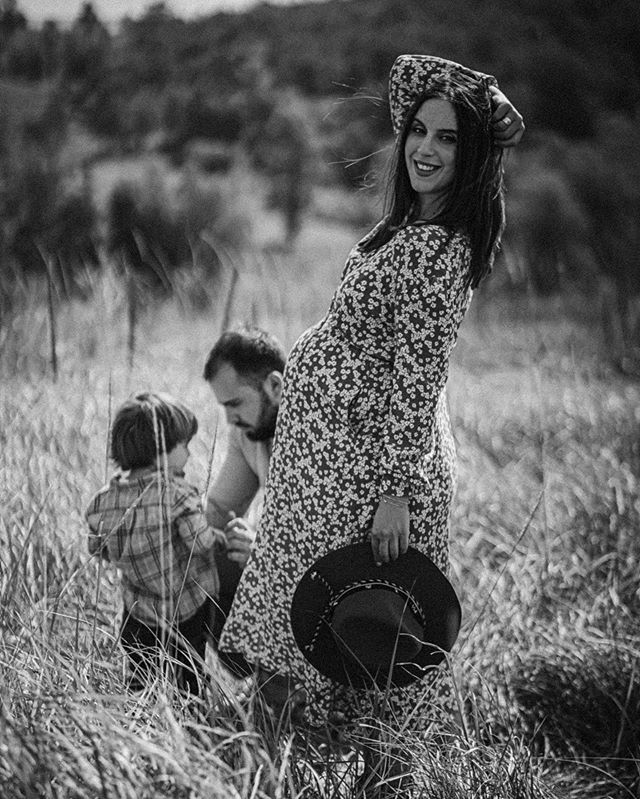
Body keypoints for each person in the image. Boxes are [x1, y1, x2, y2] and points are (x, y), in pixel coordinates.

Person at [217, 52, 511, 745]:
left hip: (364, 482)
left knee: (360, 635)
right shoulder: (408, 228)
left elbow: (416, 381)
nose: (426, 148)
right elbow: (409, 74)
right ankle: (283, 765)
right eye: (420, 131)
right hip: (327, 476)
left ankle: (346, 771)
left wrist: (395, 493)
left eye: (449, 139)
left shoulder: (441, 250)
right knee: (303, 629)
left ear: (472, 157)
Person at [86, 391, 218, 698]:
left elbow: (97, 549)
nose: (189, 454)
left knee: (140, 674)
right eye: (184, 445)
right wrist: (213, 531)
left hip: (137, 613)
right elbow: (201, 543)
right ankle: (192, 713)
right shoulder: (178, 495)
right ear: (161, 451)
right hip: (184, 611)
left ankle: (137, 717)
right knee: (188, 674)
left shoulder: (103, 501)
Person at [202, 328, 286, 674]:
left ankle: (288, 684)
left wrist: (263, 551)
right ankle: (258, 676)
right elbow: (218, 510)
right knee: (199, 557)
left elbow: (327, 543)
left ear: (275, 387)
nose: (229, 419)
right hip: (279, 573)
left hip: (329, 582)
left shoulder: (314, 432)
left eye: (235, 403)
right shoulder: (247, 432)